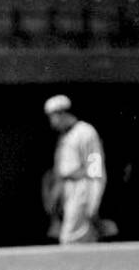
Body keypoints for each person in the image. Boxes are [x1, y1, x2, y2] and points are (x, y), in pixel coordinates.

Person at [44, 94, 106, 244]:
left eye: (53, 117)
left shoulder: (85, 132)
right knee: (83, 238)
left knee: (70, 238)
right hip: (67, 190)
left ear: (62, 113)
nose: (52, 122)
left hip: (82, 189)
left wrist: (94, 201)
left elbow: (95, 169)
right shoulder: (65, 136)